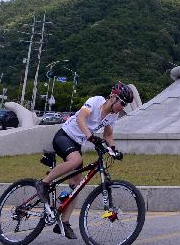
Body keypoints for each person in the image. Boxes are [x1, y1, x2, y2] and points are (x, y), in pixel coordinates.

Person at [35, 81, 133, 240]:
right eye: (122, 102)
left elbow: (108, 135)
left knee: (77, 185)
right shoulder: (96, 102)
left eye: (126, 105)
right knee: (75, 160)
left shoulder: (112, 116)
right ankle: (43, 183)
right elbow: (81, 118)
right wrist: (90, 136)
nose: (123, 107)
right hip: (64, 136)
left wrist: (113, 149)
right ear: (113, 97)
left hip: (76, 144)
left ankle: (64, 222)